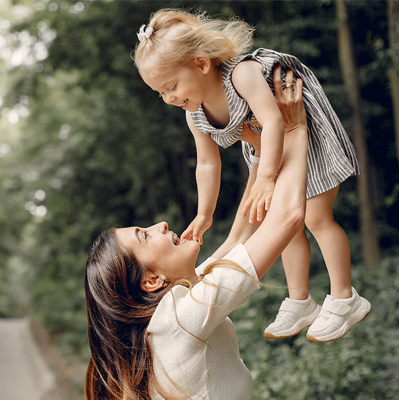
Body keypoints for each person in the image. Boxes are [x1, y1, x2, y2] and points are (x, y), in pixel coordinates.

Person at [85, 68, 324, 399]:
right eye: (145, 236)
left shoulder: (179, 302)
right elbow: (287, 218)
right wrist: (295, 129)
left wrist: (258, 152)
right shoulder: (180, 318)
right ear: (152, 280)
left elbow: (241, 235)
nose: (161, 226)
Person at [133, 8, 370, 342]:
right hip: (268, 154)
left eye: (171, 86)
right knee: (281, 224)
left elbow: (275, 121)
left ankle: (345, 298)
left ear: (201, 64)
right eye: (160, 93)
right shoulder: (194, 114)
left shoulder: (241, 75)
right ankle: (300, 299)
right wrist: (204, 214)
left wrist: (266, 178)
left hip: (302, 133)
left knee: (316, 217)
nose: (169, 99)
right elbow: (207, 164)